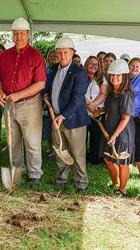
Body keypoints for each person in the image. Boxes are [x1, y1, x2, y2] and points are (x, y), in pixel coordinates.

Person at [0, 18, 47, 185]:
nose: (18, 37)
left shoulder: (36, 55)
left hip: (29, 104)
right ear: (12, 35)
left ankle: (35, 173)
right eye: (15, 34)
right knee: (13, 140)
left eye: (22, 34)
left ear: (28, 35)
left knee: (31, 141)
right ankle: (18, 168)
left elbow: (40, 83)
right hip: (9, 104)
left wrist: (19, 94)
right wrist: (0, 92)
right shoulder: (4, 56)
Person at [46, 36, 89, 191]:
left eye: (66, 52)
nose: (63, 55)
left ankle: (81, 182)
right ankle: (62, 178)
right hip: (56, 116)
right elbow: (53, 88)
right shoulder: (53, 69)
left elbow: (77, 100)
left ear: (72, 53)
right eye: (60, 52)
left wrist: (62, 117)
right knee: (60, 150)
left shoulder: (80, 74)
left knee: (77, 153)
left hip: (73, 120)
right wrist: (48, 96)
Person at [98, 59, 135, 196]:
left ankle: (122, 189)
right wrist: (100, 110)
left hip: (123, 133)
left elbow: (126, 117)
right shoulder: (112, 92)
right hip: (109, 128)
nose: (114, 78)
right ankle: (115, 183)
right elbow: (110, 109)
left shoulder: (127, 94)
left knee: (122, 161)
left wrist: (115, 135)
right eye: (112, 75)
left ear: (124, 77)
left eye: (118, 75)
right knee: (108, 159)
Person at [84, 56, 107, 165]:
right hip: (83, 111)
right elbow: (78, 92)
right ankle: (82, 157)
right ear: (87, 64)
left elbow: (103, 93)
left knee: (96, 137)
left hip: (97, 111)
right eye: (91, 63)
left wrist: (94, 104)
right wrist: (88, 104)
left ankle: (95, 159)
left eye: (96, 64)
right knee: (82, 137)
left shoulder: (101, 77)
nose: (93, 66)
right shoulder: (81, 76)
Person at [43, 50, 59, 159]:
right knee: (48, 125)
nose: (52, 57)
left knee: (56, 126)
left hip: (57, 102)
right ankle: (49, 147)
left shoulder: (60, 70)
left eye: (55, 56)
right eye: (51, 56)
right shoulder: (46, 70)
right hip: (46, 101)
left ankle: (56, 149)